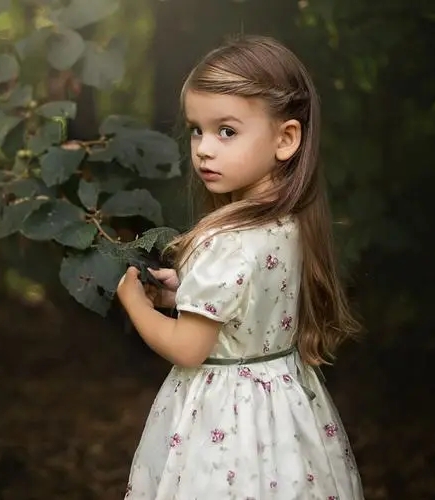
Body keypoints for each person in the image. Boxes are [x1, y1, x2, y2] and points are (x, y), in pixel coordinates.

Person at [115, 35, 365, 499]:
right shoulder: (291, 222)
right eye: (196, 130)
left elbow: (189, 348)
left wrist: (135, 304)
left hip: (225, 422)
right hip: (285, 416)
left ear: (286, 138)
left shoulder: (225, 239)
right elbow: (251, 308)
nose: (204, 148)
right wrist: (178, 296)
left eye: (226, 131)